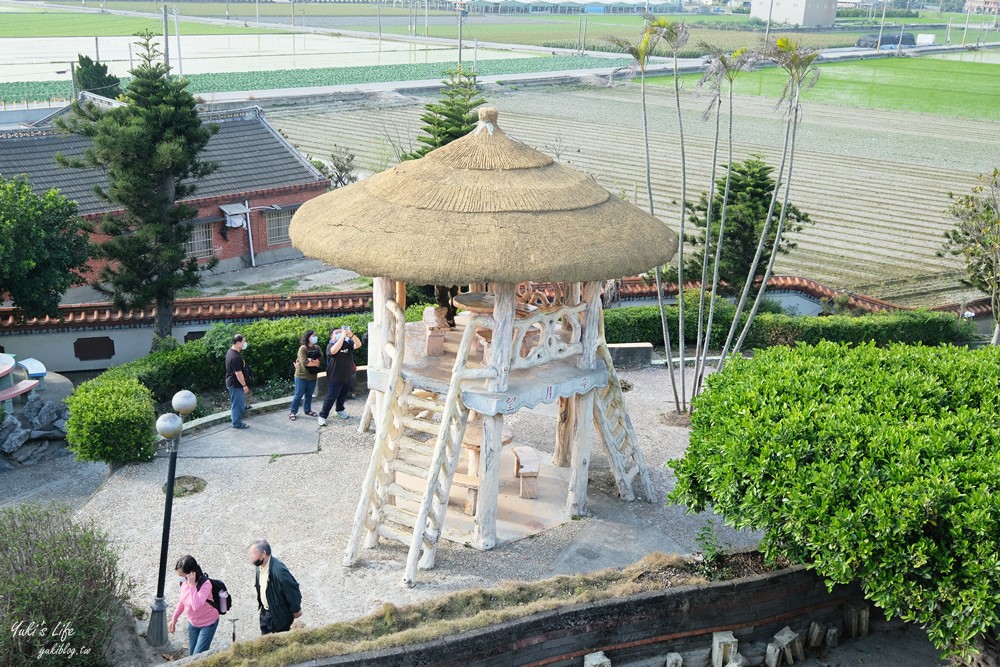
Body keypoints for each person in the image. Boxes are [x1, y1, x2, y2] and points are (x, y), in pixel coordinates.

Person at [249, 539, 302, 635]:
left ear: (263, 554)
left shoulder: (279, 571)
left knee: (280, 643)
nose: (251, 557)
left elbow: (292, 590)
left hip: (279, 615)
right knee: (265, 641)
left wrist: (296, 610)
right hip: (265, 614)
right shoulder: (259, 566)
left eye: (253, 554)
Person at [169, 555, 220, 655]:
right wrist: (174, 618)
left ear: (191, 573)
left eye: (182, 576)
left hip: (208, 624)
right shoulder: (183, 583)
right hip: (193, 623)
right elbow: (182, 601)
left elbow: (196, 606)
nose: (181, 579)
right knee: (192, 655)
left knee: (197, 656)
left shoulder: (205, 584)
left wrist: (192, 586)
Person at [318, 325, 362, 426]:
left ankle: (339, 410)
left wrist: (351, 335)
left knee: (343, 395)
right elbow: (333, 351)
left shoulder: (348, 343)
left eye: (340, 332)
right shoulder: (331, 345)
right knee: (331, 397)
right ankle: (322, 416)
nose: (339, 334)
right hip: (334, 377)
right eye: (336, 333)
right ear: (331, 336)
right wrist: (342, 336)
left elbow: (358, 344)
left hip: (347, 375)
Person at [290, 329, 323, 421]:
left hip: (312, 375)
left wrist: (312, 361)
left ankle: (307, 410)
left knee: (309, 394)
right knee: (298, 394)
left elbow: (321, 361)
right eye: (313, 335)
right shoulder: (303, 348)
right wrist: (314, 361)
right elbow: (304, 362)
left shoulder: (317, 348)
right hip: (301, 376)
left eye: (316, 335)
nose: (315, 337)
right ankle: (293, 411)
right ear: (308, 337)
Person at [226, 333, 251, 430]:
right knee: (237, 404)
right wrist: (244, 385)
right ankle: (236, 423)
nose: (245, 344)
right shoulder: (235, 357)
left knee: (237, 403)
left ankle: (234, 418)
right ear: (238, 343)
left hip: (232, 383)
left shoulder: (231, 352)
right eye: (243, 342)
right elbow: (238, 373)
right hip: (236, 384)